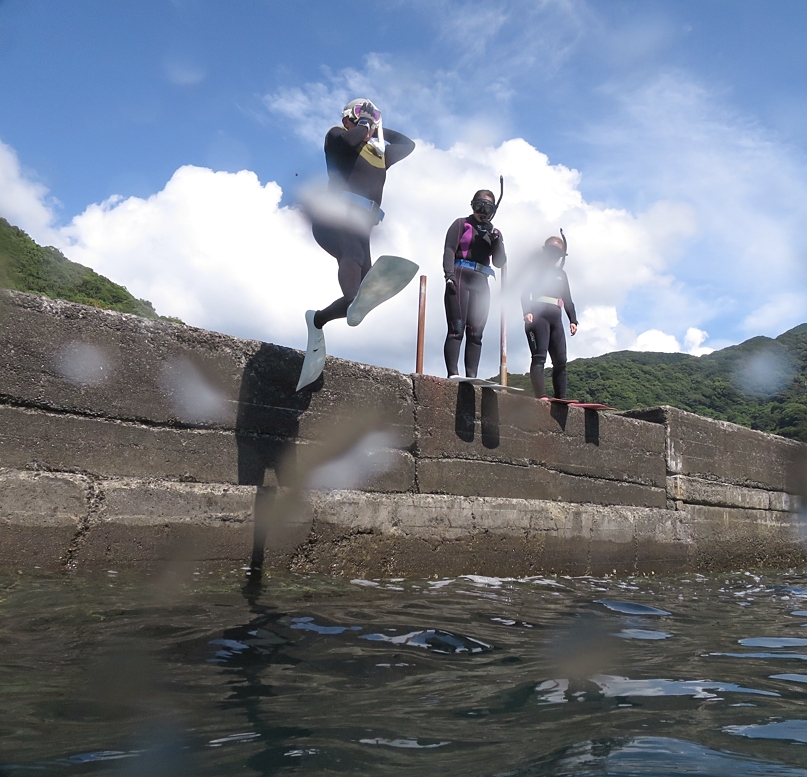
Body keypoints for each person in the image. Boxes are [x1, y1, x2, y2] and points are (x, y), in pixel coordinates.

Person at [309, 99, 415, 332]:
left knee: (362, 294)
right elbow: (351, 139)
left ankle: (318, 320)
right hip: (334, 217)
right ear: (348, 119)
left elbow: (408, 144)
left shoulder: (380, 155)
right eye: (359, 114)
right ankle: (347, 300)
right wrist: (364, 124)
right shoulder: (337, 137)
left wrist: (376, 127)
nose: (366, 121)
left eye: (371, 116)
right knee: (353, 258)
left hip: (361, 226)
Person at [442, 189, 507, 378]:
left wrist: (496, 240)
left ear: (494, 211)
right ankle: (452, 374)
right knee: (457, 329)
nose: (482, 211)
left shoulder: (495, 233)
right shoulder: (461, 224)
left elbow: (500, 262)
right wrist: (449, 275)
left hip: (481, 281)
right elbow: (449, 249)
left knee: (476, 333)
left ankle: (471, 377)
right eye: (479, 206)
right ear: (472, 205)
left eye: (488, 208)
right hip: (460, 276)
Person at [521, 234, 578, 399]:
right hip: (538, 317)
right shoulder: (534, 271)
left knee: (561, 361)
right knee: (539, 357)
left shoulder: (562, 274)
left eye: (557, 253)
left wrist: (573, 320)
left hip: (556, 317)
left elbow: (568, 299)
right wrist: (527, 311)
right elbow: (524, 294)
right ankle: (542, 395)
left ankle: (561, 398)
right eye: (551, 251)